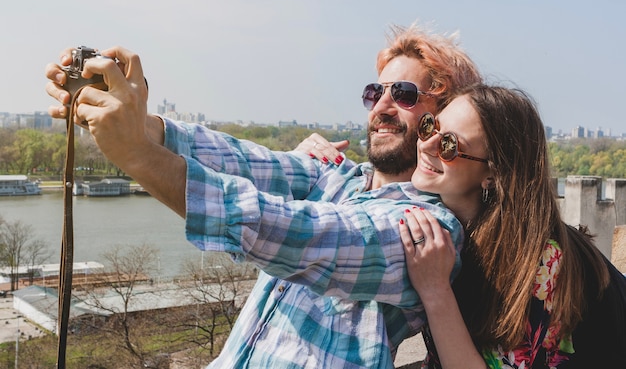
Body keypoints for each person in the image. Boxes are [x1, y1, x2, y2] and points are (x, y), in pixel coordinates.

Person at [44, 24, 482, 368]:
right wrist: (138, 122)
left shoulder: (431, 231)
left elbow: (300, 235)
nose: (381, 107)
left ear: (443, 121)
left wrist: (138, 155)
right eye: (375, 92)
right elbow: (240, 159)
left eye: (403, 94)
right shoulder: (339, 179)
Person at [396, 84, 626, 368]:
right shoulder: (456, 225)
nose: (427, 145)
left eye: (450, 145)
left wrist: (435, 291)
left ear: (492, 173)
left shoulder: (539, 264)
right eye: (429, 127)